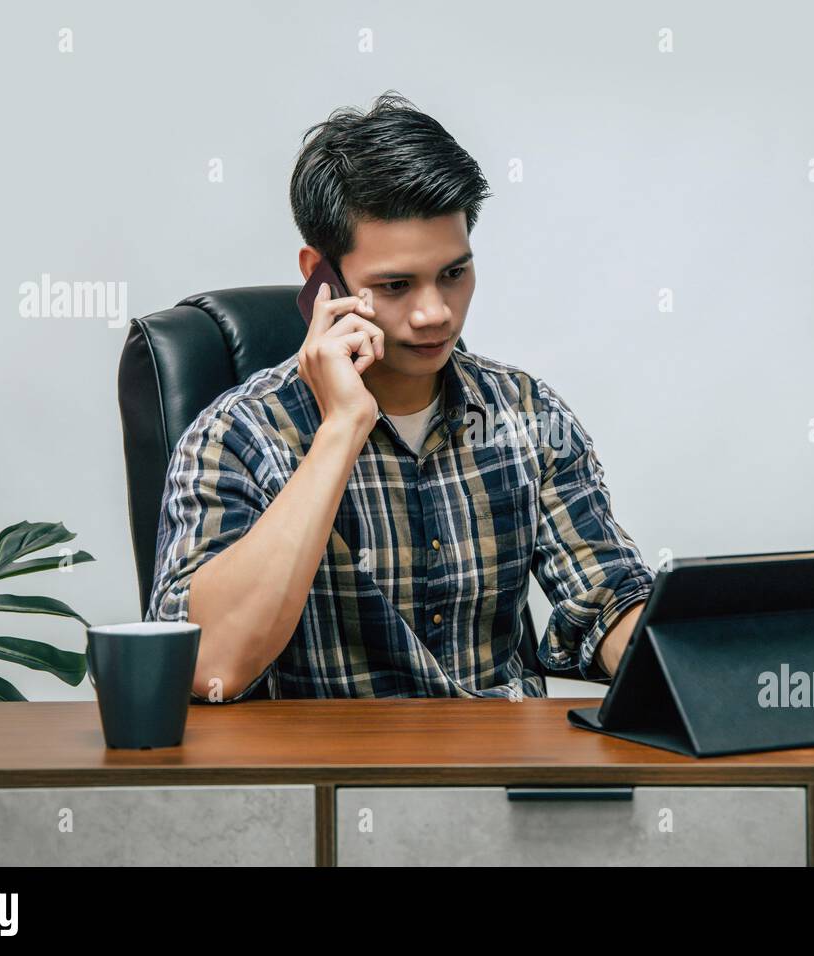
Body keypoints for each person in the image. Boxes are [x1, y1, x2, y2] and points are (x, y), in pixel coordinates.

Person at [147, 91, 654, 702]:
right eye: (395, 285)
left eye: (453, 273)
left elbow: (608, 596)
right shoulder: (237, 436)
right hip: (330, 763)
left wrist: (682, 657)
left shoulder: (525, 413)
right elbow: (207, 667)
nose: (435, 313)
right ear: (320, 277)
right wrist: (341, 429)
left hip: (499, 755)